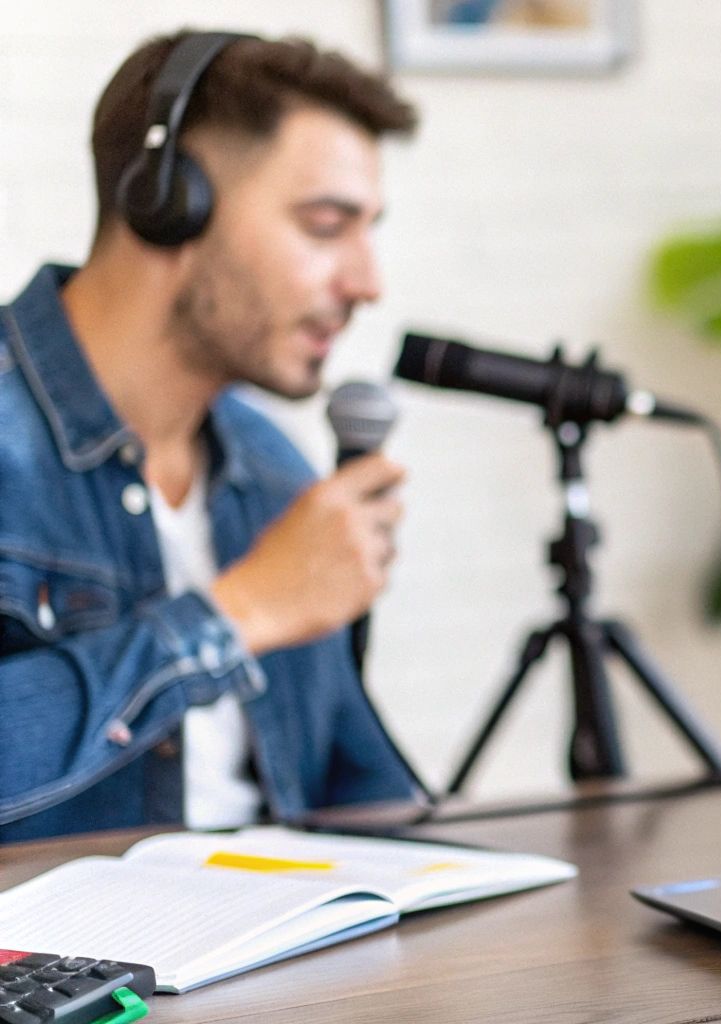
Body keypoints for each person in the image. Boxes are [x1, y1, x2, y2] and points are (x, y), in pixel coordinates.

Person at [0, 31, 422, 842]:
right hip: (67, 967)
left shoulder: (270, 471)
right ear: (167, 203)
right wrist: (235, 615)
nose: (367, 283)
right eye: (326, 226)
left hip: (285, 951)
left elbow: (362, 789)